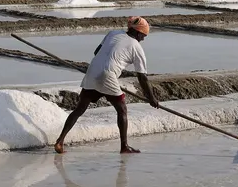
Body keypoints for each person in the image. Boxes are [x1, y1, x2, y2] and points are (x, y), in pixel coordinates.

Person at [54, 16, 159, 154]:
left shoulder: (113, 33)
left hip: (92, 71)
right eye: (143, 36)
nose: (143, 39)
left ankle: (60, 141)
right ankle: (124, 146)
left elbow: (97, 52)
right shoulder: (136, 47)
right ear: (138, 33)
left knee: (79, 109)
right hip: (107, 75)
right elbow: (142, 77)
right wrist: (151, 98)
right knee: (122, 110)